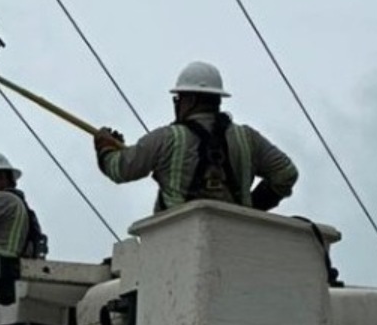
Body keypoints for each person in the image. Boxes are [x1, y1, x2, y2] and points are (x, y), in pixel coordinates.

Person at [93, 61, 298, 213]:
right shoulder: (248, 139)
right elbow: (286, 174)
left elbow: (120, 169)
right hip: (237, 238)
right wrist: (252, 208)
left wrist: (105, 147)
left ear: (190, 99)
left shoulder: (165, 139)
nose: (177, 104)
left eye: (179, 99)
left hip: (178, 242)